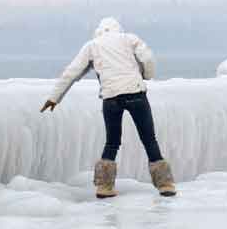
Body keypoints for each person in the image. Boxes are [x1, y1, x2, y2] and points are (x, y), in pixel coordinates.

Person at [41, 17, 175, 199]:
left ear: (99, 31)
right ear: (118, 29)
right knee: (149, 139)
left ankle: (104, 187)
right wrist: (147, 75)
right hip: (136, 93)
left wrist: (54, 98)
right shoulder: (129, 38)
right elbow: (148, 58)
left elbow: (71, 72)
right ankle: (165, 184)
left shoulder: (92, 45)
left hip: (111, 97)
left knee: (112, 142)